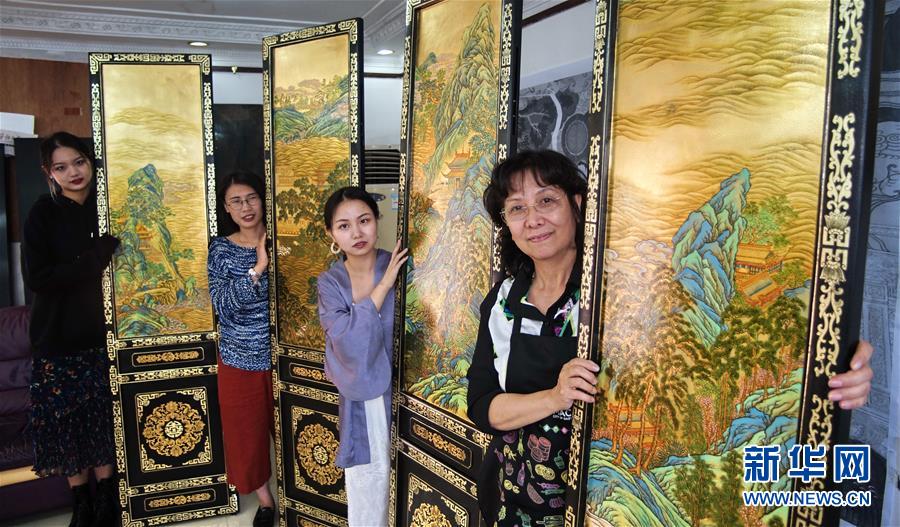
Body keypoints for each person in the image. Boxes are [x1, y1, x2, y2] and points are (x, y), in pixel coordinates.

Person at [465, 149, 874, 526]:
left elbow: (718, 356)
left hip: (595, 512)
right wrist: (555, 397)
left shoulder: (621, 292)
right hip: (511, 501)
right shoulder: (503, 301)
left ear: (576, 203)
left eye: (546, 200)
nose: (533, 219)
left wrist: (830, 370)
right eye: (517, 208)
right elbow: (482, 405)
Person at [23, 131, 121, 527]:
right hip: (57, 338)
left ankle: (107, 500)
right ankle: (82, 503)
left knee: (101, 420)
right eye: (61, 167)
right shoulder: (42, 214)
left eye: (79, 162)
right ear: (49, 173)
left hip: (104, 335)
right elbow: (40, 279)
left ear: (91, 161)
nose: (73, 172)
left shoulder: (107, 207)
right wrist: (96, 256)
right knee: (66, 424)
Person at [316, 186, 407, 527]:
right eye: (344, 226)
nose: (356, 233)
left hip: (410, 394)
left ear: (377, 220)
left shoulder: (399, 264)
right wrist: (383, 287)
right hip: (364, 397)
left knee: (412, 477)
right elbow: (348, 342)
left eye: (364, 220)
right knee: (371, 478)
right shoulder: (330, 282)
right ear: (331, 233)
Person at [207, 171, 274, 527]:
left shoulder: (285, 238)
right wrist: (258, 269)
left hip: (286, 359)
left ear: (263, 199)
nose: (246, 207)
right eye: (236, 201)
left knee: (296, 428)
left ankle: (304, 496)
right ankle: (266, 502)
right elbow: (223, 306)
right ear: (227, 208)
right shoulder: (221, 249)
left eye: (251, 198)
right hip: (240, 359)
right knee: (246, 437)